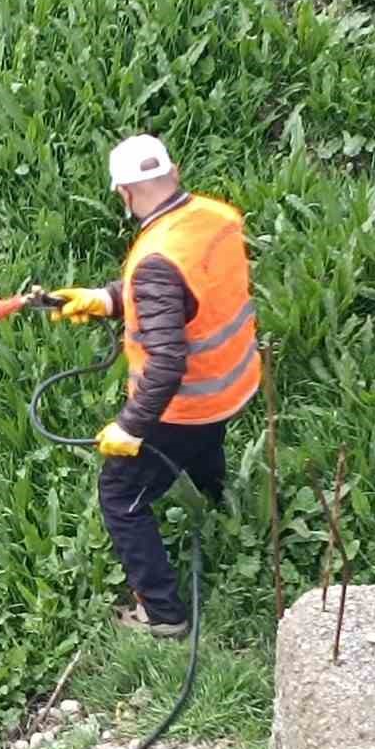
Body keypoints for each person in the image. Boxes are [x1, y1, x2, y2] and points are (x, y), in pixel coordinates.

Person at [49, 134, 260, 638]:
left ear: (122, 193)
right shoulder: (213, 218)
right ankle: (218, 502)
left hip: (184, 404)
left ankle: (163, 614)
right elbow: (188, 296)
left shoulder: (157, 258)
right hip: (232, 383)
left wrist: (129, 426)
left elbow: (166, 359)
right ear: (175, 170)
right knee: (207, 446)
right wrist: (107, 298)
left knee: (120, 495)